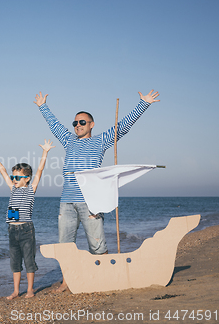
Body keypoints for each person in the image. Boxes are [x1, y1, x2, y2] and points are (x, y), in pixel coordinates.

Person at [34, 90, 160, 293]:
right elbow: (54, 125)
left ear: (91, 125)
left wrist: (143, 104)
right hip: (66, 201)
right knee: (65, 245)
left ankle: (105, 277)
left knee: (97, 245)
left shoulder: (100, 141)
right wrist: (42, 106)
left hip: (90, 202)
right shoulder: (69, 141)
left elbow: (123, 127)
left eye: (82, 122)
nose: (77, 126)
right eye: (75, 123)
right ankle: (67, 281)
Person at [0, 139, 55, 299]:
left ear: (27, 178)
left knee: (29, 261)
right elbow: (2, 171)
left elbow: (39, 170)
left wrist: (45, 152)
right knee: (15, 262)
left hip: (26, 230)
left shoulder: (31, 189)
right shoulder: (12, 189)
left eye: (17, 177)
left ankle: (30, 289)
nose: (14, 179)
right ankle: (16, 291)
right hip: (12, 230)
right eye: (13, 177)